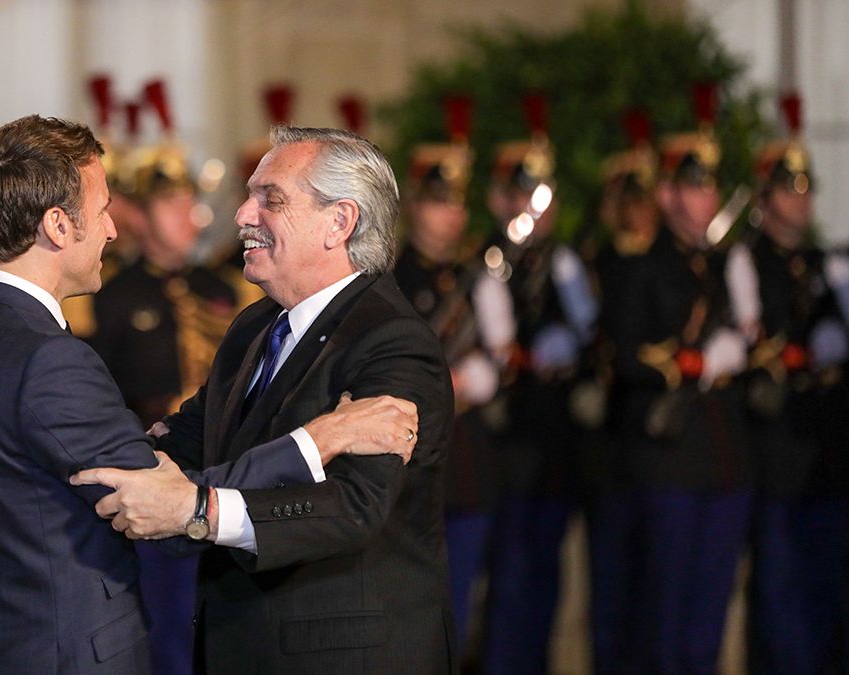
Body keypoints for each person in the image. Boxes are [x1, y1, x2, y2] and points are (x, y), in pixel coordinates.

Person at [0, 115, 419, 675]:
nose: (112, 231)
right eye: (101, 212)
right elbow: (161, 510)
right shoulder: (46, 356)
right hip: (63, 655)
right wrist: (319, 439)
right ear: (56, 225)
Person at [74, 125, 455, 674]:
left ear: (339, 222)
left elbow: (353, 507)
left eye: (270, 199)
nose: (243, 215)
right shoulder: (255, 326)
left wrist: (201, 510)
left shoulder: (392, 341)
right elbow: (186, 444)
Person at [88, 81, 235, 675]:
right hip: (152, 473)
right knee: (166, 635)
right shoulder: (112, 297)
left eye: (189, 200)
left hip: (225, 477)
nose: (190, 214)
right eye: (172, 202)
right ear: (140, 214)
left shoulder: (223, 289)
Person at [612, 83, 753, 673]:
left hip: (725, 458)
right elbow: (625, 354)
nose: (705, 196)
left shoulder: (726, 262)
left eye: (709, 185)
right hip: (669, 459)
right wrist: (692, 362)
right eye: (693, 185)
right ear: (667, 193)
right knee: (664, 613)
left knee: (710, 609)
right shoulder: (646, 266)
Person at [480, 94, 598, 675]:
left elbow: (594, 342)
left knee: (544, 574)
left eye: (544, 196)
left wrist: (582, 337)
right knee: (507, 576)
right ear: (500, 199)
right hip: (503, 443)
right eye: (525, 194)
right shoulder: (487, 261)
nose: (537, 209)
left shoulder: (566, 261)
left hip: (555, 443)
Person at [741, 93, 849, 675]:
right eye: (788, 188)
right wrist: (808, 351)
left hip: (827, 454)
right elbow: (762, 347)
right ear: (763, 197)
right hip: (780, 455)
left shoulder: (821, 262)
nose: (800, 201)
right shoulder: (750, 261)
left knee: (825, 603)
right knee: (782, 607)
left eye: (805, 189)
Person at [393, 95, 504, 653]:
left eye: (458, 202)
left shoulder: (476, 275)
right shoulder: (387, 278)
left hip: (469, 464)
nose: (452, 214)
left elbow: (500, 355)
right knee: (411, 618)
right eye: (439, 201)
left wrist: (489, 368)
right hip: (410, 471)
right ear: (414, 204)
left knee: (460, 616)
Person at [583, 108, 661, 675]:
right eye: (623, 198)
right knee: (610, 588)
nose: (632, 209)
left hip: (660, 447)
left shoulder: (666, 263)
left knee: (658, 591)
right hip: (607, 447)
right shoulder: (595, 261)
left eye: (641, 196)